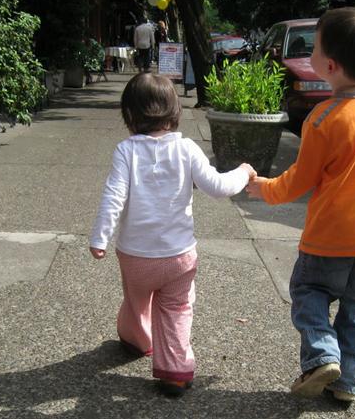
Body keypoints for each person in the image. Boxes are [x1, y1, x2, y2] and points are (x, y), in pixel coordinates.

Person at [247, 5, 355, 403]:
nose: (310, 54)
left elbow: (300, 180)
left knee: (309, 291)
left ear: (329, 65)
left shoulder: (322, 119)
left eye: (313, 48)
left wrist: (265, 188)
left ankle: (322, 355)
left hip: (329, 238)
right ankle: (347, 383)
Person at [89, 73, 256, 397]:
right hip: (179, 256)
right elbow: (218, 187)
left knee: (137, 302)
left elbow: (114, 195)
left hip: (136, 257)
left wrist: (100, 237)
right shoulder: (186, 148)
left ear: (130, 115)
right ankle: (176, 373)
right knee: (177, 310)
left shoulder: (126, 151)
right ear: (174, 112)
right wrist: (243, 172)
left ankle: (138, 340)